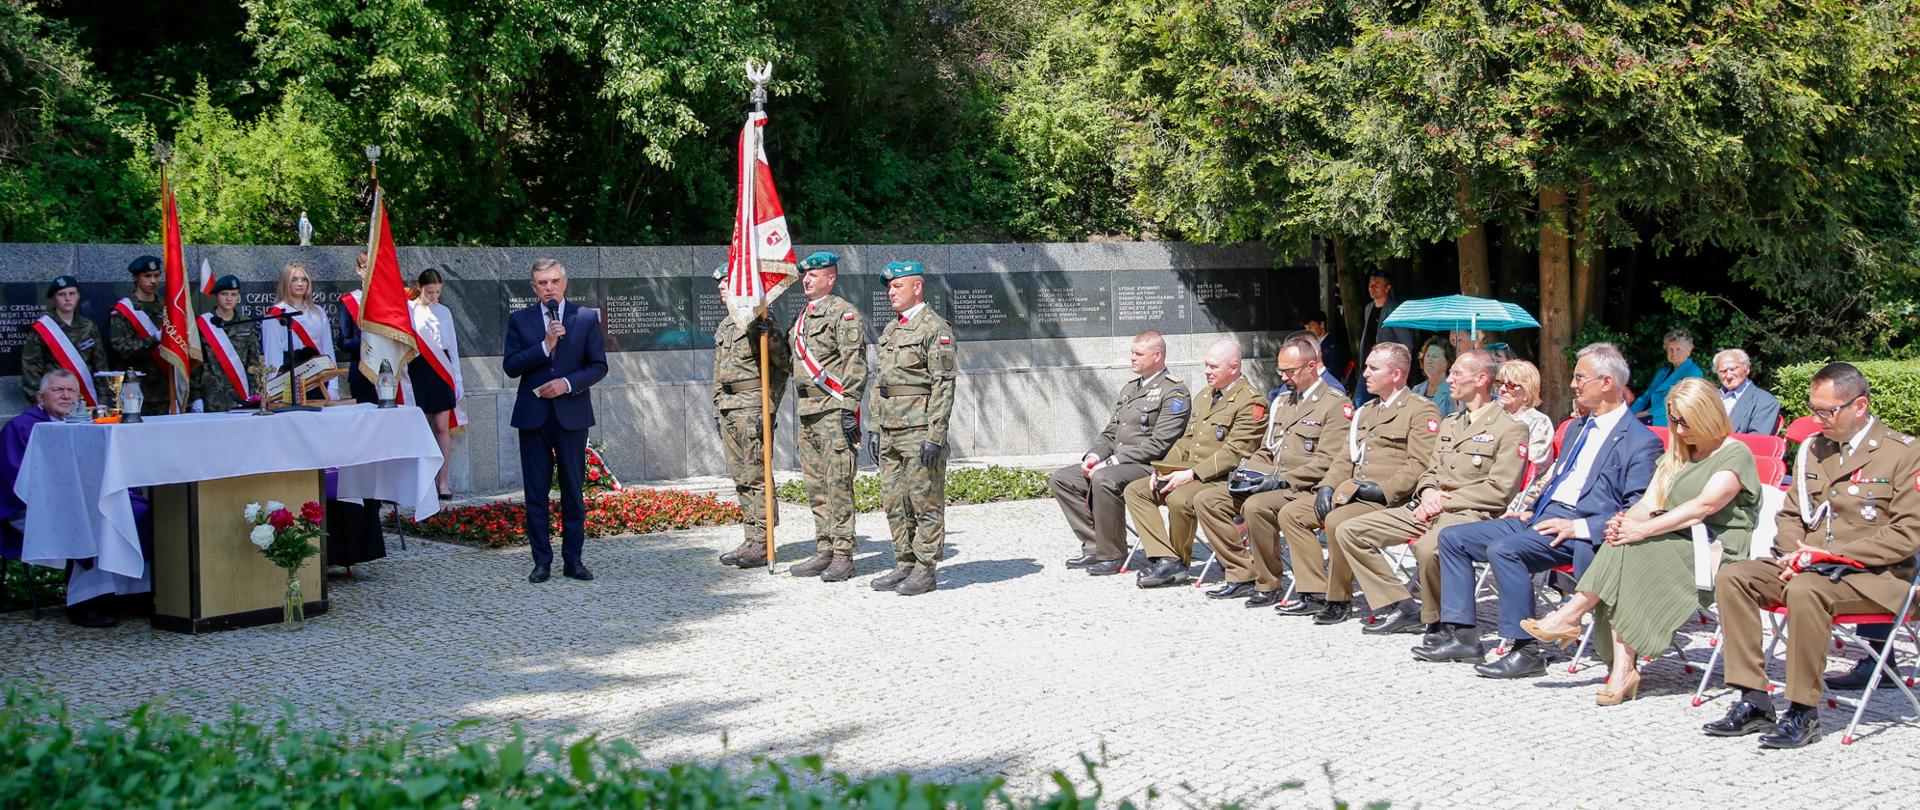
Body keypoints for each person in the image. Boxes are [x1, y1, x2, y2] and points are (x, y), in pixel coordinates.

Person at [1705, 362, 1920, 749]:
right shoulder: (1814, 450)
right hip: (1807, 567)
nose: (1818, 419)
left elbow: (1907, 536)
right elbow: (1791, 514)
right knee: (1734, 576)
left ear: (1860, 406)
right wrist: (1791, 555)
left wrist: (1827, 555)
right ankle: (1753, 699)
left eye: (1827, 411)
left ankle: (1803, 711)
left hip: (1875, 578)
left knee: (1807, 590)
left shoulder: (1902, 453)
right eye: (1814, 409)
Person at [1416, 343, 1662, 678]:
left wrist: (1580, 528)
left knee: (1505, 550)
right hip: (1544, 519)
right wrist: (1532, 509)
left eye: (1580, 377)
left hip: (1584, 530)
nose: (1573, 384)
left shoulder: (1640, 440)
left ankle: (1524, 649)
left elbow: (1638, 509)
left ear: (1606, 383)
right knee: (1452, 537)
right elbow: (1559, 480)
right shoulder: (1576, 428)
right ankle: (1463, 635)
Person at [1521, 378, 1761, 704]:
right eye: (1673, 419)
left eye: (1685, 421)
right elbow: (1648, 503)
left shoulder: (1734, 453)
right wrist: (1625, 522)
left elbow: (1702, 507)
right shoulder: (1679, 452)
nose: (1678, 428)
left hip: (1714, 549)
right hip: (1669, 538)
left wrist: (1642, 530)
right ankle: (1620, 666)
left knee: (1630, 549)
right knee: (1620, 543)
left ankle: (1575, 616)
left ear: (1707, 415)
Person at [1330, 349, 1528, 636]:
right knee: (1349, 531)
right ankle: (1401, 605)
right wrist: (1427, 493)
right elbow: (1430, 471)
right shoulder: (1450, 423)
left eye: (1457, 374)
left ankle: (1437, 621)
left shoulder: (1510, 428)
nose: (1450, 380)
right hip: (1428, 507)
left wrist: (1441, 501)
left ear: (1482, 379)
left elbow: (1499, 490)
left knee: (1428, 547)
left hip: (1469, 513)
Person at [1275, 342, 1440, 622]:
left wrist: (1382, 490)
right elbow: (1345, 458)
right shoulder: (1366, 410)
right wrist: (1327, 486)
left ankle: (1338, 599)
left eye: (1374, 368)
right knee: (1292, 514)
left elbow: (1419, 465)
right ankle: (1314, 591)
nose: (1365, 373)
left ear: (1397, 374)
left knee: (1339, 521)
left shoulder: (1420, 411)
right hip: (1353, 493)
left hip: (1390, 499)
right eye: (1367, 367)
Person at [1190, 334, 1349, 601]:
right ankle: (1242, 572)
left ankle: (1269, 583)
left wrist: (1279, 479)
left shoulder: (1334, 403)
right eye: (1281, 371)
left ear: (1311, 367)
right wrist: (1246, 473)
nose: (1284, 377)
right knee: (1207, 499)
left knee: (1256, 506)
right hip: (1271, 482)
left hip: (1305, 487)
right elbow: (1267, 449)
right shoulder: (1283, 402)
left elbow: (1327, 461)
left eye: (1290, 371)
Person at [1, 370, 152, 627]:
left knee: (141, 513)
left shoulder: (87, 425)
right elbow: (16, 480)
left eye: (71, 391)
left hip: (85, 499)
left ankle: (135, 594)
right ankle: (87, 601)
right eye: (58, 390)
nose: (65, 396)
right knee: (96, 518)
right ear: (40, 396)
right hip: (33, 508)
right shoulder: (23, 427)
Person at [1123, 339, 1266, 588]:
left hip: (1222, 479)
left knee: (1179, 499)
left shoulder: (1251, 402)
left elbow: (1235, 452)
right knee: (1136, 490)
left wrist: (1191, 473)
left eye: (1213, 367)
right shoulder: (1204, 396)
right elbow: (1185, 441)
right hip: (1189, 473)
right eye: (1206, 366)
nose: (1207, 371)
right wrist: (1163, 469)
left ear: (1233, 368)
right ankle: (1167, 559)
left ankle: (1180, 560)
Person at [503, 258, 608, 584]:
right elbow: (511, 366)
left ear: (564, 283)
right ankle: (541, 561)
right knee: (536, 492)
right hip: (533, 417)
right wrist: (545, 346)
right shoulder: (520, 320)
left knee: (573, 491)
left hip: (571, 415)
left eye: (553, 282)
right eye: (541, 283)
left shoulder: (586, 318)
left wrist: (567, 384)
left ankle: (573, 560)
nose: (548, 288)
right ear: (534, 288)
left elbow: (598, 366)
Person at [1053, 330, 1189, 574]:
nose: (1132, 358)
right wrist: (1095, 456)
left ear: (1157, 355)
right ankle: (1096, 545)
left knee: (1104, 478)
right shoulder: (1129, 389)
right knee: (1064, 479)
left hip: (1151, 466)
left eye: (1139, 353)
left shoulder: (1174, 392)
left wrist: (1112, 462)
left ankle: (1113, 554)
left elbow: (1159, 444)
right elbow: (1111, 431)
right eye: (1132, 353)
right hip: (1118, 464)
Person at [867, 261, 959, 596]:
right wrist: (875, 426)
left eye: (897, 286)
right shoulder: (892, 330)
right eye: (889, 287)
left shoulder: (935, 328)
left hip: (919, 430)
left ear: (917, 287)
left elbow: (943, 385)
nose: (891, 292)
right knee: (895, 500)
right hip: (891, 429)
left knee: (925, 501)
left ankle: (925, 568)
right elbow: (882, 384)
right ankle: (904, 562)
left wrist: (936, 435)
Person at [779, 251, 868, 580]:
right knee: (816, 485)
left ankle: (843, 554)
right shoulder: (802, 319)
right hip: (807, 412)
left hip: (833, 410)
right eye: (805, 275)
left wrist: (849, 409)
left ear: (830, 279)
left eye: (814, 275)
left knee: (838, 483)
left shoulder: (843, 315)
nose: (806, 280)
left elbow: (854, 365)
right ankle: (825, 548)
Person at [709, 264, 792, 572]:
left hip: (753, 407)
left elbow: (782, 366)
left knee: (756, 474)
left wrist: (767, 407)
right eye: (719, 283)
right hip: (730, 408)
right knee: (739, 475)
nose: (721, 286)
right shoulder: (726, 326)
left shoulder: (760, 322)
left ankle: (763, 540)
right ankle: (750, 535)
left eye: (727, 281)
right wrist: (717, 406)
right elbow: (718, 373)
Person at [409, 267, 464, 500]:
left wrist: (458, 379)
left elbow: (452, 346)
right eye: (430, 291)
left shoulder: (444, 312)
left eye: (438, 292)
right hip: (417, 368)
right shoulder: (408, 309)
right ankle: (419, 481)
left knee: (442, 426)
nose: (434, 296)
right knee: (418, 427)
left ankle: (443, 481)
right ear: (420, 287)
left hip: (441, 369)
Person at [20, 275, 108, 406]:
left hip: (87, 400)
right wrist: (39, 402)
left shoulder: (89, 326)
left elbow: (100, 367)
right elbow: (30, 369)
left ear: (78, 296)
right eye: (61, 294)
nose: (68, 298)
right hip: (55, 402)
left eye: (72, 293)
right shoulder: (42, 328)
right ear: (53, 298)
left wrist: (103, 401)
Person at [261, 262, 338, 400]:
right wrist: (274, 390)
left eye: (304, 279)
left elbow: (327, 349)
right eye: (294, 279)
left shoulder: (318, 312)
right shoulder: (274, 314)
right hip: (290, 377)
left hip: (318, 376)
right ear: (285, 283)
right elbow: (272, 354)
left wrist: (333, 385)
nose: (300, 284)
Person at [190, 275, 262, 412]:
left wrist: (256, 394)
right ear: (216, 296)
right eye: (224, 294)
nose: (229, 299)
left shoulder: (246, 324)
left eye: (233, 294)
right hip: (212, 397)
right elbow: (196, 365)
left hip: (241, 396)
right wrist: (196, 397)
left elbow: (253, 363)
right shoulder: (203, 325)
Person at [107, 256, 168, 415]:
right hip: (136, 391)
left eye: (156, 275)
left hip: (166, 390)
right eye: (147, 276)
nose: (153, 281)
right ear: (135, 278)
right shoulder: (123, 311)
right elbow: (123, 349)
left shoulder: (167, 307)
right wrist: (154, 340)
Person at [1351, 270, 1415, 404]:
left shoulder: (1395, 310)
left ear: (1387, 288)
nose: (1372, 287)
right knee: (1360, 404)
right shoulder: (1368, 308)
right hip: (1368, 365)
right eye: (1371, 284)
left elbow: (1406, 344)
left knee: (1366, 402)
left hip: (1387, 370)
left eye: (1377, 284)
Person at [1631, 328, 1703, 426]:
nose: (1674, 353)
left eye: (1678, 349)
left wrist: (1644, 414)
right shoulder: (1662, 371)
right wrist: (1629, 414)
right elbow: (1645, 397)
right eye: (1670, 349)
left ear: (1688, 351)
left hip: (1669, 421)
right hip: (1647, 417)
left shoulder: (1694, 372)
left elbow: (1676, 402)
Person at [1713, 348, 1782, 435]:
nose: (1729, 375)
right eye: (1723, 371)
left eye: (1733, 369)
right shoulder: (1710, 397)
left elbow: (1757, 442)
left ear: (1747, 369)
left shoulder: (1765, 402)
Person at [1497, 360, 1554, 462]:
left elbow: (1534, 460)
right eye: (1500, 383)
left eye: (1510, 385)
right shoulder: (1492, 416)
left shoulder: (1540, 422)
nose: (1502, 389)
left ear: (1527, 390)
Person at [1410, 336, 1457, 416]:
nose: (1429, 360)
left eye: (1435, 356)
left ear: (1447, 362)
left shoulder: (1453, 391)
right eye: (1427, 356)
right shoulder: (1416, 389)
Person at [1304, 310, 1349, 384]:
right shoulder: (1310, 345)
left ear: (1322, 324)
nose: (1308, 331)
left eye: (1310, 327)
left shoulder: (1334, 346)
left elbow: (1334, 372)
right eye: (1306, 328)